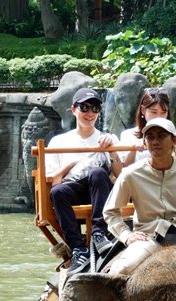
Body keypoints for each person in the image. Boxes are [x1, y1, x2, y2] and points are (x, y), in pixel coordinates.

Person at [103, 117, 176, 275]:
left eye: (161, 136)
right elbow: (110, 211)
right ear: (145, 143)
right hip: (148, 237)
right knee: (120, 270)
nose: (155, 141)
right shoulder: (130, 174)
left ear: (174, 140)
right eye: (150, 137)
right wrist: (126, 235)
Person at [46, 87, 123, 273]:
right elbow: (53, 180)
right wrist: (72, 163)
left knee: (97, 172)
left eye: (95, 109)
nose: (90, 113)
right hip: (71, 188)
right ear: (74, 109)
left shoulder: (108, 138)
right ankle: (78, 248)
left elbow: (120, 175)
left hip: (99, 191)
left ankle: (99, 232)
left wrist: (112, 151)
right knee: (57, 192)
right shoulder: (59, 142)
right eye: (85, 108)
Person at [118, 88, 176, 167]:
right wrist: (133, 149)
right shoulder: (128, 135)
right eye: (154, 112)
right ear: (143, 110)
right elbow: (125, 167)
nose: (159, 117)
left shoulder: (175, 135)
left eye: (163, 112)